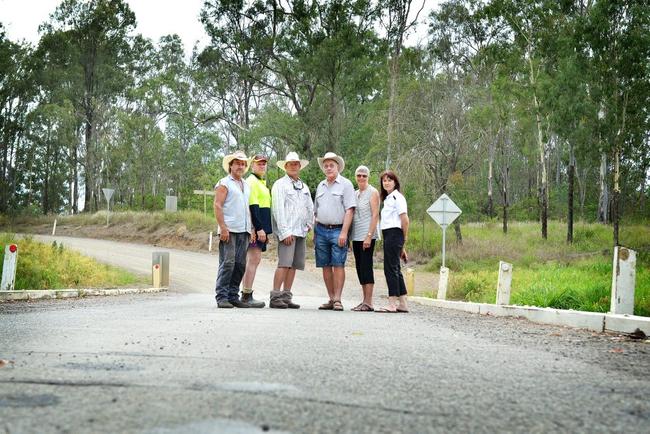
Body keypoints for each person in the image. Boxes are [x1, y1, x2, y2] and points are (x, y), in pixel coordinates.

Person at [270, 152, 314, 309]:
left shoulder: (304, 186)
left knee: (294, 265)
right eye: (290, 164)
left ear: (300, 166)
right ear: (285, 166)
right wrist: (284, 231)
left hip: (300, 230)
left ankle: (286, 296)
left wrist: (309, 223)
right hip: (288, 231)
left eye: (296, 164)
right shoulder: (280, 185)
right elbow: (277, 209)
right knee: (284, 263)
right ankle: (275, 296)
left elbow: (310, 206)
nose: (294, 166)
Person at [314, 152, 356, 311]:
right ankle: (331, 298)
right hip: (321, 229)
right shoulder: (320, 185)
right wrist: (315, 232)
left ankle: (338, 298)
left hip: (338, 229)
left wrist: (344, 233)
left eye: (331, 165)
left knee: (338, 264)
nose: (328, 168)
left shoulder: (346, 184)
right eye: (326, 165)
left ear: (338, 167)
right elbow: (316, 211)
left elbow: (350, 210)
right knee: (325, 265)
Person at [213, 150, 255, 308]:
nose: (241, 166)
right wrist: (223, 227)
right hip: (229, 229)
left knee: (240, 264)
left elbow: (246, 208)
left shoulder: (246, 185)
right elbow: (217, 205)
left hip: (243, 230)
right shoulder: (224, 183)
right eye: (237, 163)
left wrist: (250, 228)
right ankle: (222, 296)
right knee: (228, 262)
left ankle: (233, 295)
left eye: (243, 164)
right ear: (231, 165)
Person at [240, 154, 271, 308]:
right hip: (257, 228)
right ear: (252, 166)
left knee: (254, 260)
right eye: (259, 164)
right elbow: (252, 206)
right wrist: (257, 228)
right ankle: (246, 294)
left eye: (264, 164)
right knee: (253, 259)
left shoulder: (262, 183)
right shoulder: (252, 181)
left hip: (262, 228)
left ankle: (246, 293)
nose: (262, 166)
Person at [376, 170, 410, 313]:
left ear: (395, 182)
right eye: (384, 180)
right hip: (389, 235)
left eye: (389, 180)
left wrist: (404, 240)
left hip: (395, 233)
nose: (386, 182)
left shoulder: (397, 197)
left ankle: (391, 304)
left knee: (390, 269)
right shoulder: (388, 199)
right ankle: (402, 303)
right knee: (396, 268)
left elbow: (405, 220)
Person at [350, 165, 380, 312]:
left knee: (366, 266)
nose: (361, 178)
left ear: (368, 177)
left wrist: (369, 236)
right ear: (355, 177)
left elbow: (375, 215)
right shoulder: (355, 194)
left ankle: (369, 302)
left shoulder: (372, 192)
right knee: (359, 267)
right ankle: (364, 301)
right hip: (356, 236)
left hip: (367, 235)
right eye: (359, 175)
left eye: (364, 175)